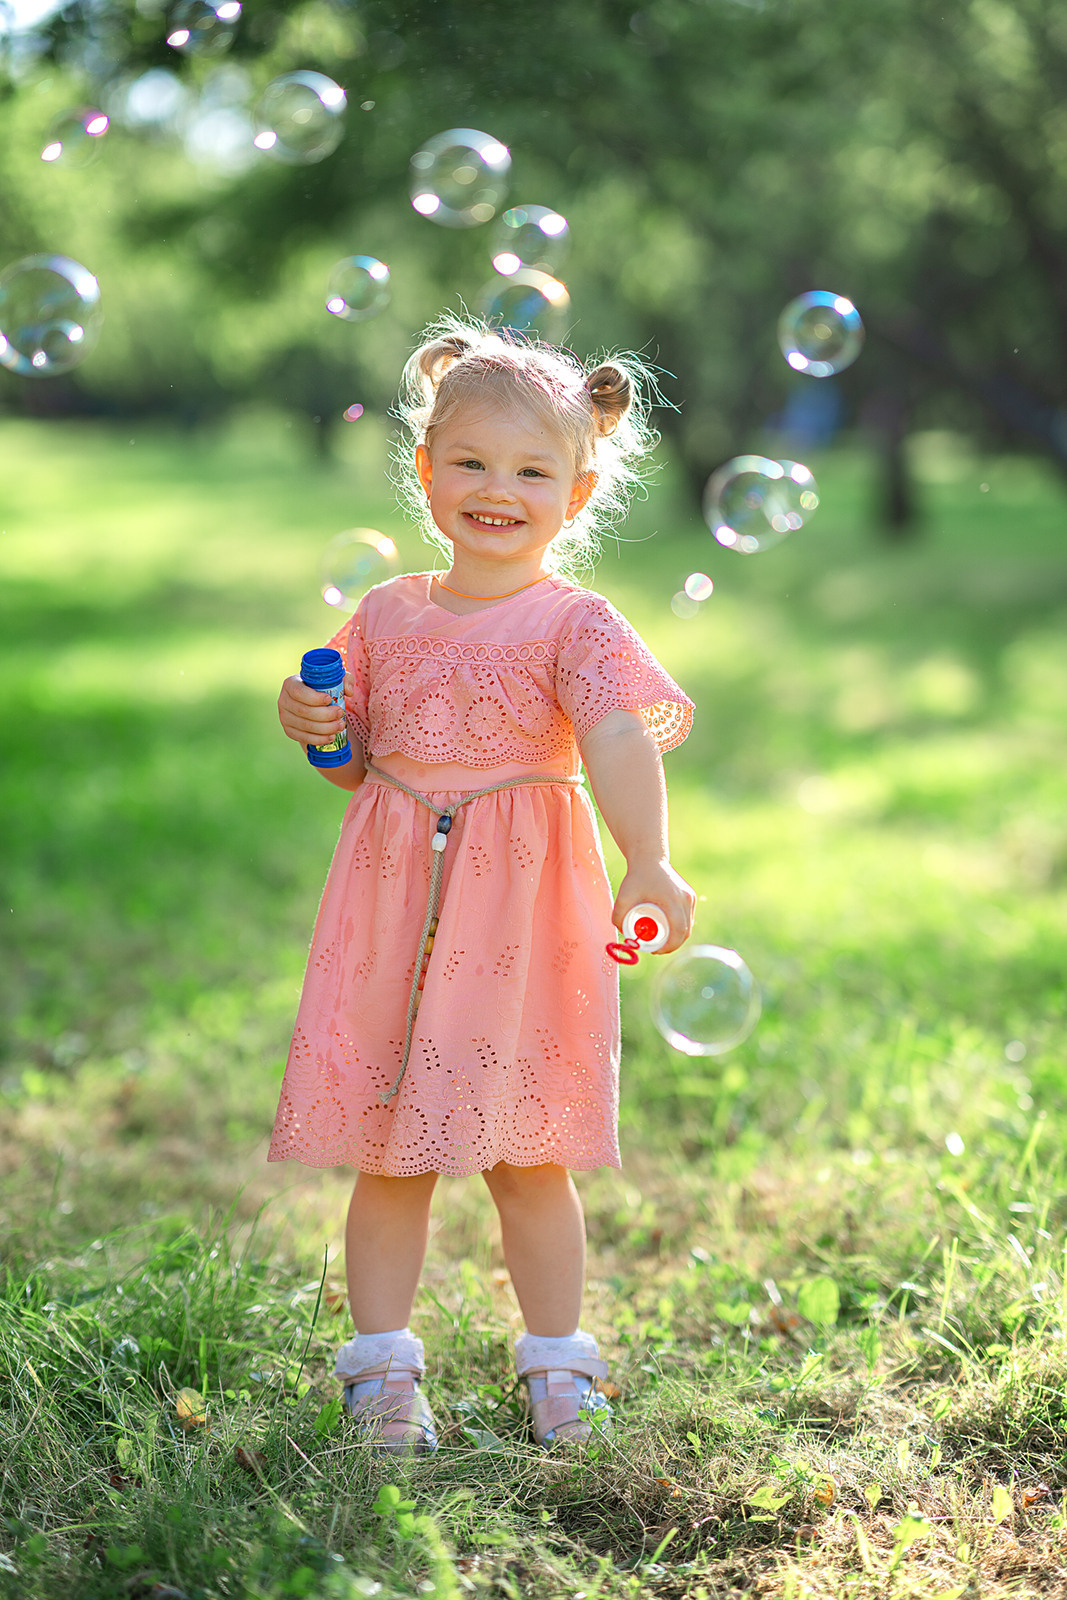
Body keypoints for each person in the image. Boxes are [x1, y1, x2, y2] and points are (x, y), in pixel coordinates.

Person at [271, 317, 695, 1452]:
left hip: (520, 911)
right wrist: (313, 721)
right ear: (423, 471)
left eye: (528, 470)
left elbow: (613, 734)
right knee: (388, 1143)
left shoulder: (574, 621)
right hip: (396, 896)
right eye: (468, 461)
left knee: (526, 1147)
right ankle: (381, 1372)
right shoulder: (387, 612)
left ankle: (557, 1363)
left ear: (577, 488)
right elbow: (356, 758)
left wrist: (645, 853)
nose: (494, 488)